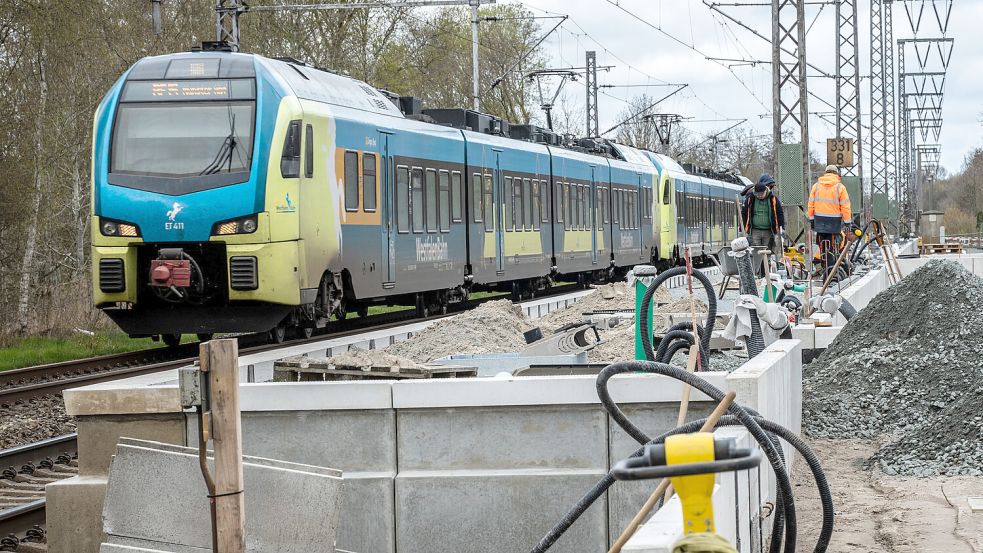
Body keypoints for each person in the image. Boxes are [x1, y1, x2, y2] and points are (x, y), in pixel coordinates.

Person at [807, 164, 852, 258]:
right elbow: (845, 207)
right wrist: (848, 222)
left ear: (825, 173)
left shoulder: (816, 186)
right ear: (836, 174)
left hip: (819, 221)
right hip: (834, 223)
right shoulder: (840, 187)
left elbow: (811, 205)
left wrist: (811, 220)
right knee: (832, 245)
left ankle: (822, 263)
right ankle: (831, 266)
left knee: (821, 244)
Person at [741, 174, 785, 257]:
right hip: (754, 231)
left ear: (766, 190)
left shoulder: (773, 199)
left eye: (761, 194)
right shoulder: (750, 199)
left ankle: (766, 268)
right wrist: (742, 228)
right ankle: (758, 268)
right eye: (757, 194)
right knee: (756, 253)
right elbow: (744, 213)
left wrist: (782, 227)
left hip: (769, 231)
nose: (759, 196)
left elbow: (780, 213)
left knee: (767, 252)